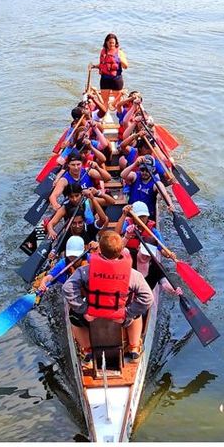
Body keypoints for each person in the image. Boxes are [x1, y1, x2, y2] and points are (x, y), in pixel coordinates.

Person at [62, 230, 153, 363]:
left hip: (91, 317)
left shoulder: (85, 271)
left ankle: (87, 350)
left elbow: (67, 288)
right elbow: (148, 298)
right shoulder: (132, 274)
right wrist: (127, 313)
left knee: (74, 316)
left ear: (100, 250)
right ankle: (134, 347)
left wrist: (84, 309)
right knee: (137, 314)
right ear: (120, 250)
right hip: (121, 317)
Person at [48, 151, 112, 209]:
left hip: (91, 202)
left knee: (109, 200)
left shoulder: (87, 171)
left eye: (78, 164)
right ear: (68, 165)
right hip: (75, 207)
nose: (76, 168)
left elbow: (108, 178)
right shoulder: (64, 180)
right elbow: (53, 196)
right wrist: (55, 205)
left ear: (82, 164)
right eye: (73, 165)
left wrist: (97, 167)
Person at [92, 33, 129, 109]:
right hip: (105, 79)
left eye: (113, 43)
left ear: (116, 43)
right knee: (104, 101)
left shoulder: (119, 52)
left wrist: (119, 58)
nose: (111, 44)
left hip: (116, 79)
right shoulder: (103, 51)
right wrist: (94, 66)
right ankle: (103, 118)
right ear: (106, 42)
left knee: (117, 102)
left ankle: (120, 118)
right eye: (109, 42)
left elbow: (126, 66)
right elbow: (103, 65)